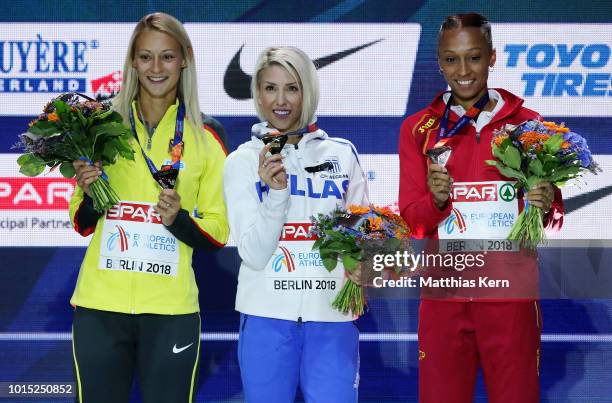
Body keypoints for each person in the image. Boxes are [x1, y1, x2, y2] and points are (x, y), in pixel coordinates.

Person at [398, 13, 564, 403]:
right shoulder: (417, 129)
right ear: (439, 62)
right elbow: (412, 222)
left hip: (509, 297)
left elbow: (551, 222)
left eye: (473, 57)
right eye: (451, 60)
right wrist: (436, 201)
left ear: (492, 57)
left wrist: (544, 206)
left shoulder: (528, 124)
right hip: (445, 299)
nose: (463, 71)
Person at [68, 12, 229, 403]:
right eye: (145, 57)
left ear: (185, 58)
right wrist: (90, 194)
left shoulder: (207, 135)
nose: (156, 69)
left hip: (171, 311)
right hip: (100, 307)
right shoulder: (102, 125)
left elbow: (219, 231)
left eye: (167, 57)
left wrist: (178, 220)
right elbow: (81, 222)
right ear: (132, 62)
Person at [223, 46, 368, 402]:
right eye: (270, 88)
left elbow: (367, 235)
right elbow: (254, 254)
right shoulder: (242, 161)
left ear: (308, 91)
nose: (281, 100)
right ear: (257, 93)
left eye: (292, 87)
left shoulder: (341, 154)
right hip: (265, 319)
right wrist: (276, 194)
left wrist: (367, 264)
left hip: (332, 318)